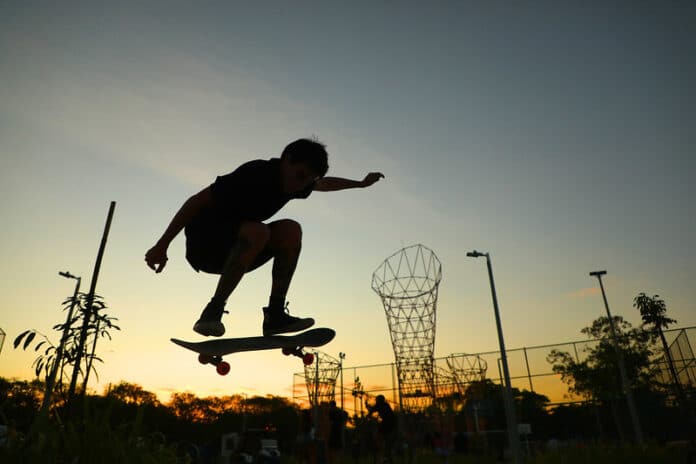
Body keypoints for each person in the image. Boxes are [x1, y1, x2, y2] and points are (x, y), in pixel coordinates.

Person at [145, 138, 384, 336]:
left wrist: (361, 184)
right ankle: (212, 312)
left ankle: (275, 315)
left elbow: (324, 184)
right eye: (299, 176)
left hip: (242, 248)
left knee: (291, 230)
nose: (299, 185)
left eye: (307, 180)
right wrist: (162, 245)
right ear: (286, 159)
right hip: (205, 245)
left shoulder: (299, 183)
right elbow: (196, 202)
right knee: (259, 230)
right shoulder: (256, 172)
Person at [367, 395, 396, 463]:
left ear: (379, 400)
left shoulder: (380, 405)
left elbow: (372, 411)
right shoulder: (386, 405)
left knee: (381, 440)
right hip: (390, 425)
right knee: (387, 441)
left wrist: (368, 416)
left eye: (377, 400)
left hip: (386, 425)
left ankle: (383, 456)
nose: (376, 401)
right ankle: (386, 457)